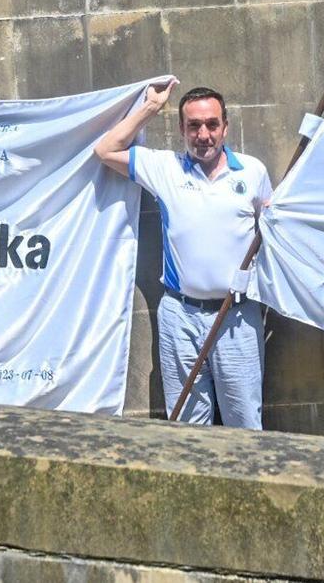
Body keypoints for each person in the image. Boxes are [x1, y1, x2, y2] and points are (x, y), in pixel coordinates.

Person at [95, 82, 272, 429]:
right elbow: (105, 150)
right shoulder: (165, 168)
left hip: (236, 316)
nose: (203, 134)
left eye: (211, 124)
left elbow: (271, 233)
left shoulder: (253, 172)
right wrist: (149, 109)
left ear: (225, 127)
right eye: (194, 125)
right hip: (180, 316)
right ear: (181, 129)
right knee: (188, 428)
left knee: (245, 423)